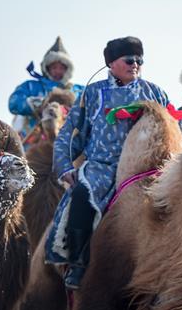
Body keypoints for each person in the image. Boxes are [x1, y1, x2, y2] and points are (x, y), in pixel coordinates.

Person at [45, 36, 170, 290]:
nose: (135, 64)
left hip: (146, 170)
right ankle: (77, 262)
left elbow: (175, 129)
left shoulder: (155, 93)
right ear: (111, 63)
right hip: (102, 169)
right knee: (81, 195)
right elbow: (69, 136)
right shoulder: (92, 93)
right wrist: (65, 167)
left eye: (139, 60)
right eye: (129, 60)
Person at [8, 36, 83, 143]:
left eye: (61, 68)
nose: (58, 71)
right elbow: (13, 103)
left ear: (67, 70)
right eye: (54, 67)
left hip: (69, 141)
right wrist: (36, 104)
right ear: (47, 68)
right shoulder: (31, 86)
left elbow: (94, 105)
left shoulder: (77, 90)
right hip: (34, 141)